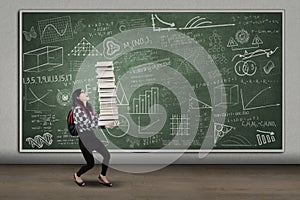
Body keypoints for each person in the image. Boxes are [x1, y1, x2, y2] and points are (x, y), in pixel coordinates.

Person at [71, 88, 115, 187]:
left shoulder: (89, 107)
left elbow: (96, 119)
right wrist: (104, 126)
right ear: (77, 97)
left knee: (107, 155)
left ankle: (102, 176)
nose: (86, 93)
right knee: (90, 164)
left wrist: (107, 122)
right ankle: (77, 175)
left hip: (92, 137)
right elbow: (88, 124)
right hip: (84, 139)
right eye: (82, 92)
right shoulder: (77, 109)